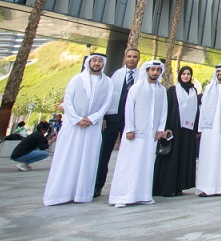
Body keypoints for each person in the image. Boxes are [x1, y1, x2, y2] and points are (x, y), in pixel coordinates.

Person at [43, 53, 113, 206]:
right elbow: (68, 101)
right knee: (68, 158)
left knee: (88, 159)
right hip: (73, 126)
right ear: (89, 62)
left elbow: (106, 104)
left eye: (100, 61)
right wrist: (77, 119)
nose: (97, 63)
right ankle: (59, 194)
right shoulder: (76, 79)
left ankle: (81, 194)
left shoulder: (107, 82)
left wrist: (92, 119)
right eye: (94, 60)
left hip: (92, 127)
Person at [108, 60, 169, 208]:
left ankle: (143, 195)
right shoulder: (136, 88)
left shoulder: (161, 90)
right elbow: (128, 108)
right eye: (152, 69)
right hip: (134, 133)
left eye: (157, 70)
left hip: (151, 134)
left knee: (146, 164)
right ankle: (123, 196)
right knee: (129, 163)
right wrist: (129, 128)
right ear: (147, 71)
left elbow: (163, 111)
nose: (155, 72)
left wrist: (160, 128)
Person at [95, 47, 141, 198]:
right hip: (112, 119)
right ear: (125, 58)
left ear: (138, 59)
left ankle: (127, 186)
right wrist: (102, 118)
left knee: (130, 154)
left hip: (132, 121)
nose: (131, 59)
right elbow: (103, 98)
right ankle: (97, 185)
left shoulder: (142, 76)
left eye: (134, 57)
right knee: (104, 153)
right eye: (129, 56)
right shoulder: (113, 75)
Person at [153, 65, 200, 197]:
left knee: (183, 156)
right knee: (172, 157)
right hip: (174, 128)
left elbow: (196, 110)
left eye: (188, 74)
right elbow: (167, 109)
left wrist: (196, 128)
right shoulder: (173, 90)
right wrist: (166, 127)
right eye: (183, 74)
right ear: (180, 75)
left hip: (188, 131)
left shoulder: (193, 91)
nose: (186, 76)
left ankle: (179, 185)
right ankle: (168, 185)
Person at [196, 64, 221, 197]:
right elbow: (203, 108)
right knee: (207, 156)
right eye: (218, 71)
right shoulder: (208, 88)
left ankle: (219, 188)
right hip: (208, 130)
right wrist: (200, 128)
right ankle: (205, 187)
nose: (220, 73)